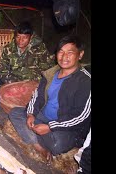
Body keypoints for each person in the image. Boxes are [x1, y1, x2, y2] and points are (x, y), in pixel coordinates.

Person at [7, 35, 91, 164]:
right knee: (15, 113)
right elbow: (37, 96)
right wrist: (30, 114)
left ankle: (33, 135)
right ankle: (38, 146)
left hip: (64, 126)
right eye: (61, 52)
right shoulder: (51, 73)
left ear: (80, 55)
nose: (64, 57)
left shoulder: (85, 81)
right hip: (42, 116)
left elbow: (81, 117)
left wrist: (50, 127)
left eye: (70, 53)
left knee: (57, 145)